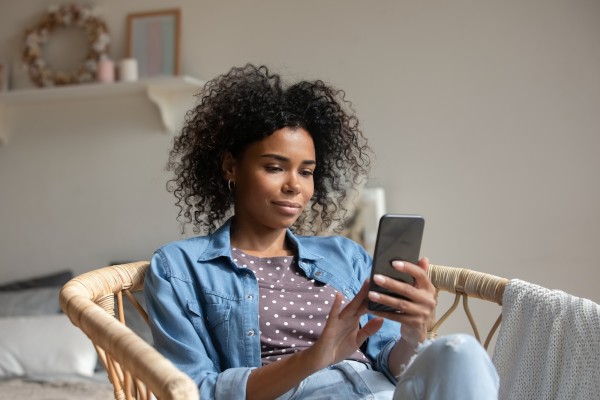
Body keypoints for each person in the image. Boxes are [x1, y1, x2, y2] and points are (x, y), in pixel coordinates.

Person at [144, 64, 499, 400]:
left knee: (460, 350)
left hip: (385, 392)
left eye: (306, 172)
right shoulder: (180, 267)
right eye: (274, 167)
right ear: (230, 166)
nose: (294, 186)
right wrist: (315, 357)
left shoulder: (344, 255)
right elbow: (196, 391)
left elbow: (393, 367)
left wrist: (413, 331)